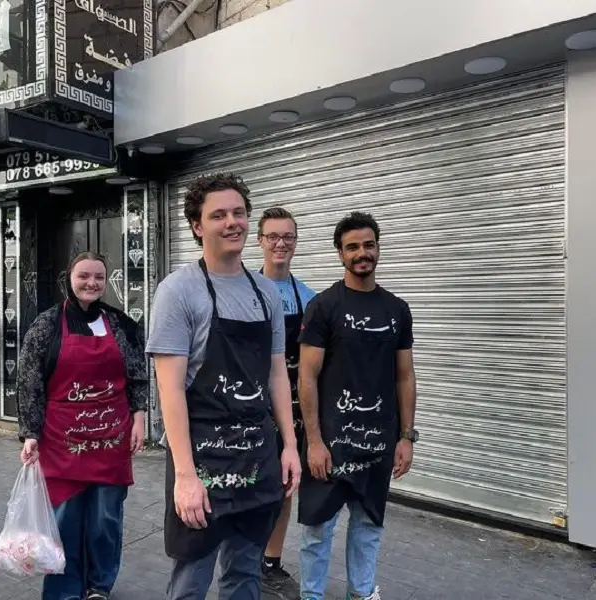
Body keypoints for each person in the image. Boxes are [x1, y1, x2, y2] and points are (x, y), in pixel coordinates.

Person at [146, 173, 302, 600]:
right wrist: (185, 477)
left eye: (239, 212)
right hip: (203, 461)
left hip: (256, 455)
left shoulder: (266, 293)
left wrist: (288, 445)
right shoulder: (178, 292)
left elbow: (275, 374)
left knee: (244, 576)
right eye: (218, 215)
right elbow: (170, 391)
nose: (232, 222)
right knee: (191, 581)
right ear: (198, 226)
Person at [296, 212, 418, 600]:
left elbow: (405, 377)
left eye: (368, 245)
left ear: (378, 248)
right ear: (340, 253)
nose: (361, 253)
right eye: (352, 247)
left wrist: (406, 437)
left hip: (377, 443)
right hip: (330, 444)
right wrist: (314, 441)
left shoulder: (397, 310)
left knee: (368, 528)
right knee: (317, 531)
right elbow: (307, 378)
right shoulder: (323, 307)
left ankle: (361, 594)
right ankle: (311, 597)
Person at [17, 251, 149, 600]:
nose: (91, 283)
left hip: (111, 438)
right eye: (84, 276)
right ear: (69, 278)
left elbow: (137, 375)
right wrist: (30, 434)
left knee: (106, 519)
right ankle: (64, 590)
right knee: (65, 519)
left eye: (99, 277)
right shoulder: (46, 325)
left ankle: (99, 585)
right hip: (62, 441)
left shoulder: (120, 324)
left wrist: (140, 417)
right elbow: (29, 381)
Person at [256, 207, 316, 598]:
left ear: (296, 242)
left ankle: (270, 562)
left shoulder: (309, 298)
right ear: (259, 241)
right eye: (273, 236)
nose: (281, 243)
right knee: (252, 490)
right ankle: (244, 558)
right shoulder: (244, 290)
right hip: (251, 410)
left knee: (284, 489)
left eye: (288, 237)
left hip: (293, 411)